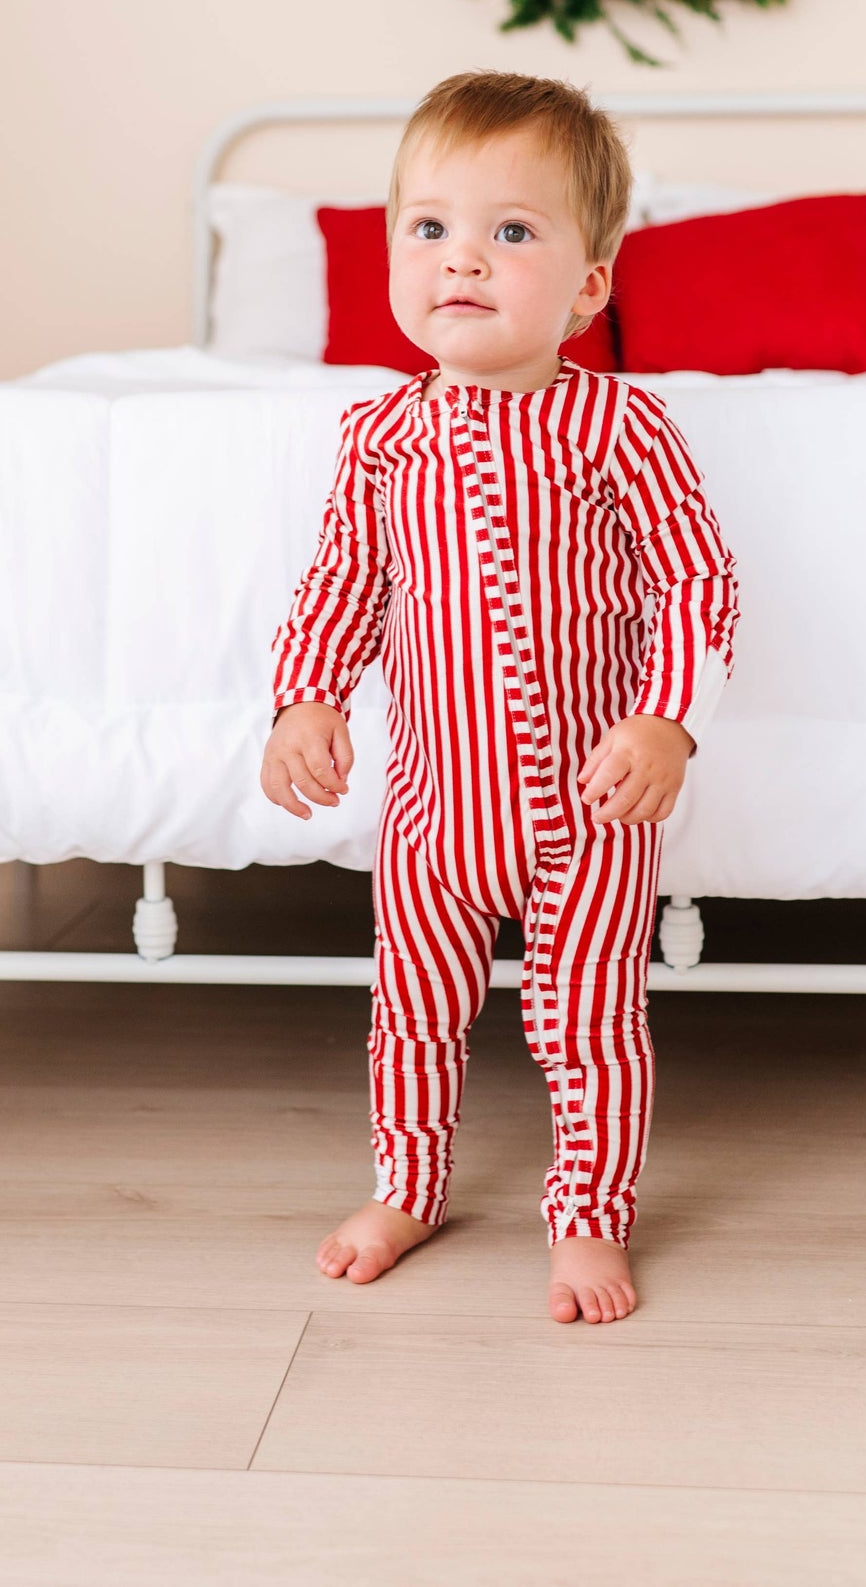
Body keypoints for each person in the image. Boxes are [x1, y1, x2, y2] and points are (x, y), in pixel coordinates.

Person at [260, 71, 739, 1324]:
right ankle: (409, 1182)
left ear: (587, 285)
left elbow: (694, 582)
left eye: (509, 231)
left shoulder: (619, 427)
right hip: (428, 813)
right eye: (427, 228)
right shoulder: (381, 435)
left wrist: (663, 718)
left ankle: (587, 1213)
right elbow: (342, 580)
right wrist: (306, 699)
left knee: (588, 1029)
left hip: (584, 812)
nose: (460, 259)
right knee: (409, 1012)